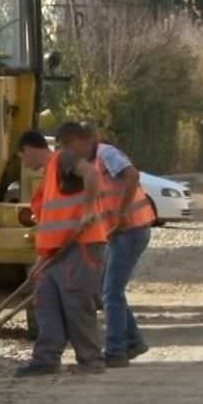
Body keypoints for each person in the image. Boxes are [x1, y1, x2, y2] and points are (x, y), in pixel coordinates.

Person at [15, 126, 109, 377]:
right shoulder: (49, 178)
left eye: (22, 157)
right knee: (47, 304)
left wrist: (89, 211)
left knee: (77, 304)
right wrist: (40, 261)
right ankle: (45, 360)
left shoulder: (62, 159)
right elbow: (51, 225)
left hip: (81, 246)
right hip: (56, 253)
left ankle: (91, 362)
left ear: (29, 149)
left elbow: (91, 175)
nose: (24, 163)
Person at [59, 122, 155, 368]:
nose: (68, 152)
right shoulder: (89, 165)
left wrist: (122, 214)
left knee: (110, 291)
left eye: (68, 145)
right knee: (109, 289)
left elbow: (132, 175)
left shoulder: (106, 154)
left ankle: (115, 352)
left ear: (82, 140)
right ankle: (133, 341)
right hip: (119, 232)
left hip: (132, 228)